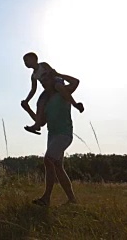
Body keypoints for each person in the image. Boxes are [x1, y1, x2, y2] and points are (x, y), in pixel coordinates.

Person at [22, 73, 79, 206]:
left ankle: (46, 198)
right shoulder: (45, 102)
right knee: (58, 166)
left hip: (64, 134)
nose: (43, 83)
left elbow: (76, 81)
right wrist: (28, 109)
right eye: (41, 81)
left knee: (48, 160)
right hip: (52, 135)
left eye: (46, 79)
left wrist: (58, 74)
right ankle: (72, 200)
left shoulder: (62, 94)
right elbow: (41, 122)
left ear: (53, 80)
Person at [22, 52, 84, 135]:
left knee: (59, 86)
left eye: (26, 60)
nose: (25, 63)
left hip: (55, 82)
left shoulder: (43, 65)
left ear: (34, 59)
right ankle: (37, 125)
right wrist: (27, 100)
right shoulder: (34, 75)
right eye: (24, 61)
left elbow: (52, 73)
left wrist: (50, 76)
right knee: (40, 102)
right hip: (48, 90)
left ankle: (75, 104)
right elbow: (33, 89)